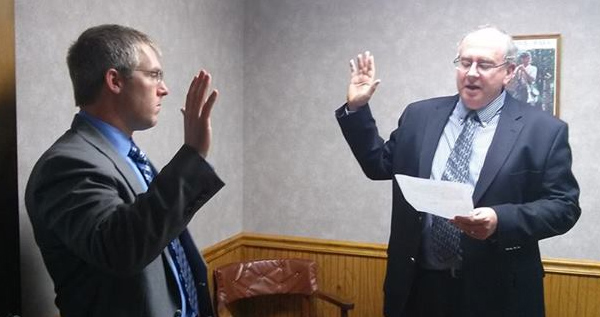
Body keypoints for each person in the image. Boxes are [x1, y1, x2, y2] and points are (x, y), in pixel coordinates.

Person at [336, 26, 580, 317]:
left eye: (485, 65)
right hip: (418, 286)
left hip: (498, 292)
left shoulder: (543, 131)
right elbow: (378, 165)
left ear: (509, 71)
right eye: (465, 62)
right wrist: (357, 108)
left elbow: (563, 207)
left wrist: (500, 219)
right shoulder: (419, 116)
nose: (472, 72)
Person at [25, 24, 224, 317]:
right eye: (154, 74)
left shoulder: (126, 155)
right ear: (115, 80)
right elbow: (121, 249)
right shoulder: (66, 164)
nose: (164, 89)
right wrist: (191, 157)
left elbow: (154, 232)